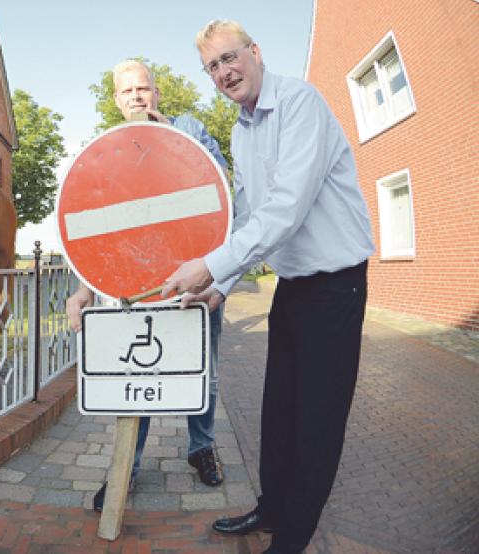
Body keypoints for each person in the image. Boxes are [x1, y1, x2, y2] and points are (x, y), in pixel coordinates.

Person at [160, 20, 375, 554]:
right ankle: (272, 507)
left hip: (336, 287)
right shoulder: (240, 129)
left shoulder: (301, 103)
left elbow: (286, 209)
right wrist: (222, 285)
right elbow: (248, 215)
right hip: (294, 286)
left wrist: (210, 266)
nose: (224, 73)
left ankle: (294, 536)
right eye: (212, 66)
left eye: (230, 58)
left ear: (255, 53)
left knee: (317, 418)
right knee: (278, 409)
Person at [65, 60, 230, 512]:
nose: (137, 96)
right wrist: (82, 291)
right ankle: (126, 470)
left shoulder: (189, 129)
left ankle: (201, 447)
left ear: (156, 94)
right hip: (132, 287)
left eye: (144, 88)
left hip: (195, 282)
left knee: (202, 373)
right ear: (117, 102)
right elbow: (89, 231)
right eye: (127, 92)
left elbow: (220, 192)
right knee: (138, 377)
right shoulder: (103, 150)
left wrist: (175, 143)